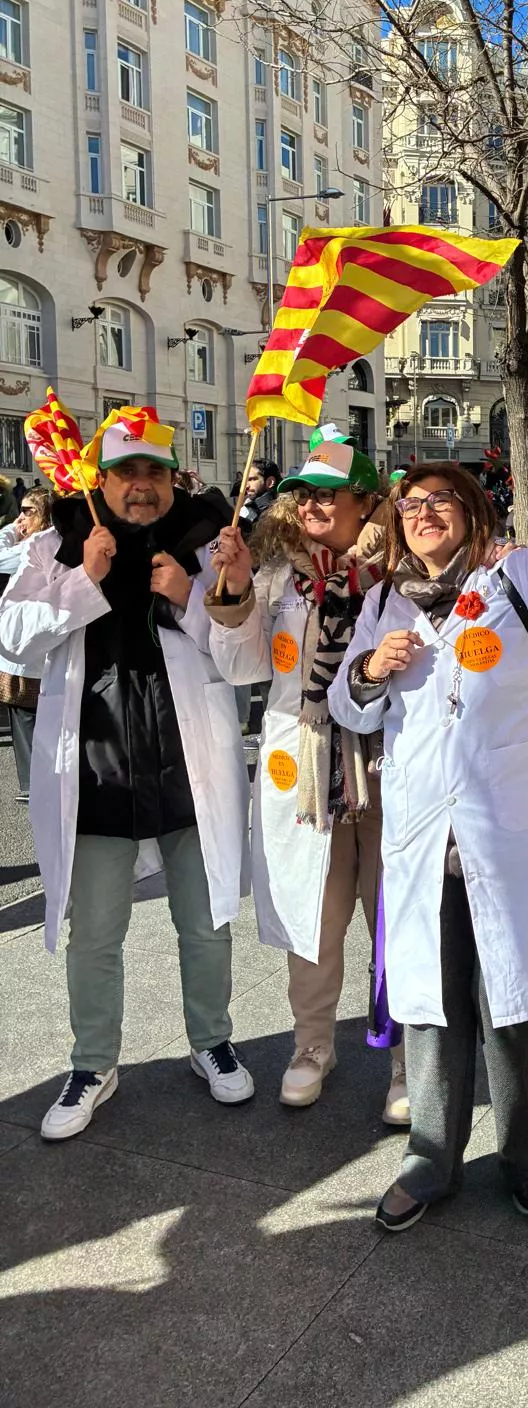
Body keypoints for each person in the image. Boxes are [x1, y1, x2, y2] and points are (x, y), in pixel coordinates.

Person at [329, 422, 528, 1232]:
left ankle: (521, 1141)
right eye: (411, 503)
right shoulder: (381, 602)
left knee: (516, 997)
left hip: (511, 832)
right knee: (430, 1002)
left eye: (441, 500)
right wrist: (368, 671)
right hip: (425, 840)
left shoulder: (520, 579)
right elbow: (342, 704)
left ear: (471, 512)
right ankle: (431, 1152)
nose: (424, 511)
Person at [0, 407, 253, 1140]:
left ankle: (211, 1041)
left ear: (172, 477)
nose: (140, 487)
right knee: (95, 933)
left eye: (153, 472)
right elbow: (12, 641)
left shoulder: (211, 542)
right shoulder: (60, 543)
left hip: (186, 769)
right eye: (125, 473)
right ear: (100, 479)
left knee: (204, 926)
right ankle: (92, 1064)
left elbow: (245, 660)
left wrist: (191, 597)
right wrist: (85, 579)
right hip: (97, 773)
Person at [206, 427, 408, 1122]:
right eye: (304, 493)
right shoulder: (277, 572)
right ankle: (313, 1044)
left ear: (364, 501)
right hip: (307, 772)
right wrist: (232, 592)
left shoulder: (400, 573)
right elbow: (240, 668)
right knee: (314, 918)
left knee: (396, 914)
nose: (314, 504)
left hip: (388, 766)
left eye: (330, 493)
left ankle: (408, 1056)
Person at [0, 487, 52, 802]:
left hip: (30, 650)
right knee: (26, 715)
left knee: (28, 715)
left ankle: (36, 784)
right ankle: (35, 782)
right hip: (29, 648)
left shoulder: (35, 544)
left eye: (29, 511)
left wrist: (10, 528)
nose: (22, 517)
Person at [238, 458, 281, 535]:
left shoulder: (283, 512)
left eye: (251, 479)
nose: (246, 486)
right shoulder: (246, 509)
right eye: (244, 481)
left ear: (270, 482)